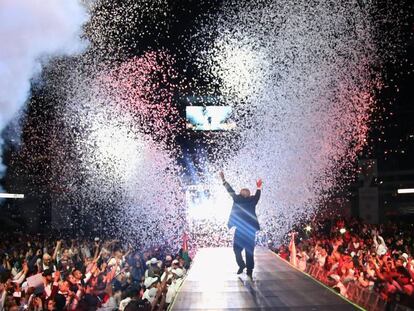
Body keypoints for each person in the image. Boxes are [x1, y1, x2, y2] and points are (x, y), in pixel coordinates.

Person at [219, 171, 262, 279]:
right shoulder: (250, 200)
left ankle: (246, 268)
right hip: (247, 230)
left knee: (242, 250)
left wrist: (224, 180)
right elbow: (257, 195)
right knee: (243, 250)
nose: (241, 193)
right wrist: (258, 187)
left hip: (244, 230)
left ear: (243, 194)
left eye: (243, 192)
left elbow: (230, 190)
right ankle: (245, 267)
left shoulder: (241, 199)